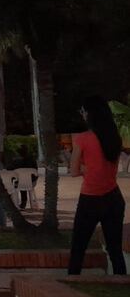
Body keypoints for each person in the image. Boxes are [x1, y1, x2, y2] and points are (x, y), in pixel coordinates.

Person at [68, 96, 126, 275]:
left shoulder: (83, 138)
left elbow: (73, 171)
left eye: (83, 112)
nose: (83, 115)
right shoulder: (114, 137)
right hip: (114, 198)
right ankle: (122, 283)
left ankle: (73, 283)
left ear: (90, 114)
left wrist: (86, 167)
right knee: (115, 249)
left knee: (78, 247)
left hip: (90, 200)